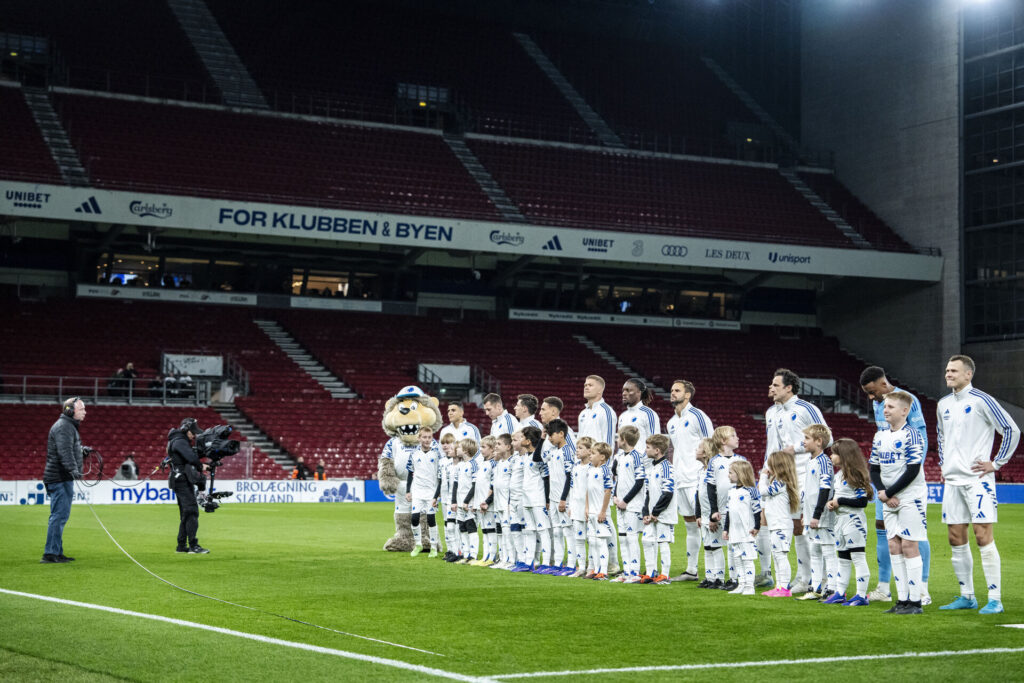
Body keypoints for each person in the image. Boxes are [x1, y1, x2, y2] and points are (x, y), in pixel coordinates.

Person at [937, 354, 1020, 615]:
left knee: (983, 536)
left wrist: (996, 463)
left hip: (977, 481)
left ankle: (995, 598)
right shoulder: (943, 404)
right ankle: (967, 596)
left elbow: (1011, 429)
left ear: (968, 374)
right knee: (955, 538)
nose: (948, 374)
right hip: (952, 481)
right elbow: (941, 436)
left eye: (954, 371)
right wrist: (943, 463)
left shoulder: (983, 400)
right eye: (947, 370)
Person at [860, 365, 932, 604]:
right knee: (884, 531)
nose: (872, 398)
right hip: (886, 484)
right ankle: (884, 586)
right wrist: (883, 489)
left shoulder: (906, 401)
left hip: (905, 484)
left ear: (883, 384)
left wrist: (905, 480)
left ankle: (921, 588)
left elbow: (920, 438)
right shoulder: (878, 403)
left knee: (913, 535)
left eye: (873, 391)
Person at [764, 368, 828, 594]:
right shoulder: (771, 412)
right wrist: (767, 467)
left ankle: (821, 579)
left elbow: (826, 436)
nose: (771, 388)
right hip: (784, 477)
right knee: (796, 527)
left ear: (789, 387)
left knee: (810, 525)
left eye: (775, 385)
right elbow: (771, 444)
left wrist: (798, 448)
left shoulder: (806, 409)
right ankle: (803, 577)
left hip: (806, 473)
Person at [870, 391, 927, 614]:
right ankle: (902, 600)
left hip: (910, 497)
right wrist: (883, 492)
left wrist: (890, 492)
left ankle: (916, 602)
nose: (886, 410)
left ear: (905, 411)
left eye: (891, 407)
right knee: (893, 544)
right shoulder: (880, 436)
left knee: (909, 544)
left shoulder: (912, 434)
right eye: (885, 407)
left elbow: (913, 469)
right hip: (888, 497)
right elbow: (874, 468)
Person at [665, 379, 713, 582]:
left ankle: (714, 573)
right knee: (691, 526)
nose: (672, 393)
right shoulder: (671, 422)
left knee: (707, 524)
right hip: (681, 480)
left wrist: (709, 476)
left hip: (697, 479)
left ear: (687, 395)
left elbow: (712, 444)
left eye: (677, 390)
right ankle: (692, 570)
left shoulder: (697, 416)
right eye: (671, 390)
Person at [825, 438, 873, 607]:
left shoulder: (855, 474)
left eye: (834, 453)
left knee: (858, 557)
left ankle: (861, 595)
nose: (831, 456)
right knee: (843, 558)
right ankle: (840, 592)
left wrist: (841, 501)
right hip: (840, 521)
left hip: (854, 521)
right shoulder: (839, 475)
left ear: (844, 455)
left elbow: (862, 502)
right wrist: (832, 502)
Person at [41, 397, 87, 563]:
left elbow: (69, 448)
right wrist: (73, 469)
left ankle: (56, 552)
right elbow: (64, 452)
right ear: (70, 410)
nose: (85, 412)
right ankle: (50, 554)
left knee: (60, 516)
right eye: (82, 409)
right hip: (59, 478)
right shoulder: (64, 427)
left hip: (61, 477)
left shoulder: (67, 427)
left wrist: (82, 450)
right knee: (59, 516)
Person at [798, 424, 837, 602]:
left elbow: (825, 489)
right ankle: (816, 587)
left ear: (819, 442)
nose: (803, 442)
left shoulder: (824, 461)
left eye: (807, 438)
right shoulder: (811, 461)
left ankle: (832, 588)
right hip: (811, 515)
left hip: (822, 516)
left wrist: (817, 514)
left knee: (828, 550)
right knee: (815, 550)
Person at [706, 426, 747, 590]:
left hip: (737, 509)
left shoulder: (742, 460)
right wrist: (713, 511)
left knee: (734, 544)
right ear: (724, 441)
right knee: (720, 544)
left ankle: (736, 578)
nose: (737, 438)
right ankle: (723, 578)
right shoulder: (714, 462)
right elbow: (711, 487)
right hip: (721, 510)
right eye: (734, 435)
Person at [759, 450, 800, 597]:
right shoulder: (778, 482)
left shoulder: (780, 483)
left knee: (781, 556)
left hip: (781, 526)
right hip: (775, 525)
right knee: (777, 555)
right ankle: (779, 586)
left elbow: (763, 491)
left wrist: (763, 475)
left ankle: (784, 588)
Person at [167, 417, 210, 554]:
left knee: (186, 513)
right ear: (186, 429)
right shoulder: (180, 441)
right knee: (191, 511)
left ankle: (181, 546)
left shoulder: (178, 440)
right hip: (182, 480)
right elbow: (191, 457)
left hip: (181, 479)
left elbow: (190, 457)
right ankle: (193, 546)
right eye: (193, 432)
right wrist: (200, 466)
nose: (194, 434)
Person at [612, 425, 647, 583]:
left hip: (633, 506)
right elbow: (617, 479)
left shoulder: (637, 457)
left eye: (619, 437)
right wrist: (614, 495)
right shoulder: (619, 457)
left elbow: (639, 482)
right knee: (623, 538)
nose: (617, 440)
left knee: (632, 538)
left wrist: (625, 501)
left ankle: (635, 571)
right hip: (620, 504)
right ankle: (626, 572)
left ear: (624, 440)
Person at [641, 434, 676, 585]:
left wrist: (655, 512)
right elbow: (648, 492)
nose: (645, 450)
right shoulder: (652, 467)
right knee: (647, 541)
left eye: (647, 447)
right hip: (652, 514)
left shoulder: (667, 467)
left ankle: (665, 574)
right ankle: (650, 572)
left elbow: (668, 492)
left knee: (663, 542)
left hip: (663, 514)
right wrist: (646, 513)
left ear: (657, 450)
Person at [722, 460, 761, 595]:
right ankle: (742, 583)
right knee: (737, 559)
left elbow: (757, 510)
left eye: (731, 473)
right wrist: (726, 529)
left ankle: (750, 586)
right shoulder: (731, 491)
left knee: (747, 559)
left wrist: (756, 527)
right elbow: (728, 512)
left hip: (747, 531)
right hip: (734, 532)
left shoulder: (751, 491)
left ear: (740, 474)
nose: (728, 475)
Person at [543, 418, 575, 575]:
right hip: (553, 498)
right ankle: (557, 563)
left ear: (561, 434)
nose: (549, 438)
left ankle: (571, 564)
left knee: (568, 532)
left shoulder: (568, 451)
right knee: (556, 532)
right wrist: (550, 499)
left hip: (564, 499)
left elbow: (570, 477)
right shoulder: (553, 452)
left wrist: (563, 498)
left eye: (551, 434)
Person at [518, 426, 552, 573]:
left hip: (538, 498)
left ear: (528, 441)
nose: (520, 440)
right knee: (529, 531)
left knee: (543, 530)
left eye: (522, 437)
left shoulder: (540, 458)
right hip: (526, 498)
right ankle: (529, 561)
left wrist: (547, 499)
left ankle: (546, 563)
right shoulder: (524, 457)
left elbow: (546, 478)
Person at [405, 427, 443, 558]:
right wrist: (408, 491)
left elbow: (440, 474)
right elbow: (410, 472)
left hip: (431, 491)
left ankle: (433, 547)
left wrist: (438, 492)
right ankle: (418, 544)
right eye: (424, 437)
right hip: (417, 491)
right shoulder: (414, 454)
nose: (427, 440)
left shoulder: (436, 453)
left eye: (429, 437)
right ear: (419, 438)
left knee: (431, 519)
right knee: (414, 519)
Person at [585, 441, 615, 580]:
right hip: (591, 512)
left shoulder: (605, 470)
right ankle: (596, 569)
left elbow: (608, 491)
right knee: (593, 542)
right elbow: (588, 490)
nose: (590, 456)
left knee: (601, 541)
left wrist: (603, 511)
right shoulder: (590, 469)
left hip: (600, 513)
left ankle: (603, 571)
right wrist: (586, 507)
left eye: (593, 453)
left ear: (602, 457)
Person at [568, 436, 594, 577]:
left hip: (589, 507)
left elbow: (591, 489)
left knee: (590, 538)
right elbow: (573, 488)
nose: (577, 451)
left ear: (590, 451)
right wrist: (571, 506)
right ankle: (581, 567)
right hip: (577, 506)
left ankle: (591, 567)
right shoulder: (576, 467)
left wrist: (588, 507)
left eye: (580, 448)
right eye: (577, 448)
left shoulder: (592, 468)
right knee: (578, 538)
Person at [452, 439, 479, 564]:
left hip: (469, 502)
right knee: (461, 527)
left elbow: (475, 485)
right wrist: (454, 501)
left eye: (459, 447)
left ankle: (473, 555)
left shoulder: (473, 465)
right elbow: (455, 485)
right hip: (460, 501)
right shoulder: (460, 466)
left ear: (466, 450)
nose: (456, 449)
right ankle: (465, 554)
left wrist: (467, 501)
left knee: (471, 527)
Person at [490, 433, 514, 569]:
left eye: (499, 444)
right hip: (498, 503)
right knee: (501, 532)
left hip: (507, 504)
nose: (496, 446)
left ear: (508, 446)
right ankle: (504, 558)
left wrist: (510, 503)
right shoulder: (499, 464)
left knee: (508, 532)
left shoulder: (512, 463)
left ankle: (511, 559)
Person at [471, 436, 496, 566]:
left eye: (484, 447)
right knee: (485, 530)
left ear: (492, 449)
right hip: (481, 502)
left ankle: (492, 556)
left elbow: (492, 485)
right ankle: (486, 556)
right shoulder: (482, 463)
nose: (481, 450)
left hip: (489, 504)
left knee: (491, 530)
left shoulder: (493, 464)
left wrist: (487, 500)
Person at [618, 378, 661, 450]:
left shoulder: (648, 414)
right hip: (624, 460)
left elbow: (655, 443)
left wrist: (642, 460)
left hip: (641, 460)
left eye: (628, 390)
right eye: (623, 391)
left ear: (639, 393)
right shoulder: (623, 416)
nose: (624, 393)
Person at [577, 375, 616, 446]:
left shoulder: (606, 411)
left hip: (598, 456)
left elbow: (609, 442)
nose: (586, 387)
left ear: (600, 390)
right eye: (585, 385)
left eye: (590, 385)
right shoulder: (583, 413)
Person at [439, 434, 460, 562]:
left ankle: (458, 550)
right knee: (447, 525)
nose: (446, 446)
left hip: (455, 500)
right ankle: (450, 550)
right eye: (444, 443)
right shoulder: (443, 462)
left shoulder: (460, 465)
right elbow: (440, 480)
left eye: (450, 444)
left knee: (455, 526)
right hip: (445, 499)